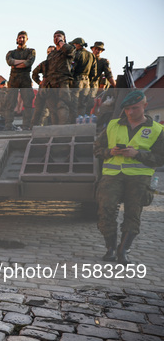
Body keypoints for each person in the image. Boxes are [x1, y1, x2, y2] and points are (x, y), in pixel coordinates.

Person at [94, 90, 164, 264]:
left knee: (133, 214)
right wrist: (109, 151)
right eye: (127, 109)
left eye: (134, 108)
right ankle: (110, 248)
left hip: (139, 178)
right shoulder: (113, 125)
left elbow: (160, 158)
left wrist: (137, 154)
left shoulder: (157, 130)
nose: (130, 112)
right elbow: (96, 150)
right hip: (112, 176)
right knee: (106, 210)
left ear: (145, 106)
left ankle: (123, 250)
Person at [4, 31, 36, 130]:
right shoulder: (11, 52)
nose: (21, 39)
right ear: (16, 39)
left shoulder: (31, 51)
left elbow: (29, 62)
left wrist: (16, 64)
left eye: (23, 37)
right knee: (10, 102)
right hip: (13, 79)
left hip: (25, 78)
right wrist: (23, 61)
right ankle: (8, 125)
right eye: (19, 37)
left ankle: (26, 125)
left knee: (27, 103)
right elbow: (10, 62)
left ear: (26, 39)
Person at [44, 30, 75, 125]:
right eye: (55, 36)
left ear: (64, 37)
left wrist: (61, 42)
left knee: (63, 105)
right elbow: (47, 68)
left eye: (59, 36)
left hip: (63, 82)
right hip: (51, 84)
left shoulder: (68, 48)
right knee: (52, 108)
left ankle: (63, 128)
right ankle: (55, 129)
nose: (56, 38)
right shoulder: (52, 54)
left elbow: (70, 51)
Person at [70, 38, 97, 123]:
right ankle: (80, 122)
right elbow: (94, 72)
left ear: (79, 44)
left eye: (74, 44)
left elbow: (72, 69)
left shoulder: (77, 54)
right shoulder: (92, 55)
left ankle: (73, 122)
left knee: (74, 103)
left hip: (77, 80)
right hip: (87, 82)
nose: (73, 46)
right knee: (83, 104)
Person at [87, 41, 116, 114]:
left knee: (90, 105)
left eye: (99, 49)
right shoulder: (86, 58)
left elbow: (109, 75)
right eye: (96, 49)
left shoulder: (103, 61)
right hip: (81, 85)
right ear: (92, 49)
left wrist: (117, 86)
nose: (97, 51)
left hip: (93, 87)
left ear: (102, 51)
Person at [31, 45, 56, 127]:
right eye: (48, 52)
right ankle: (33, 128)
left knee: (52, 111)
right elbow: (34, 73)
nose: (50, 53)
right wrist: (39, 82)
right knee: (38, 110)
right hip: (43, 89)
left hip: (54, 90)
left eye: (52, 51)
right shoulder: (44, 64)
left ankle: (54, 128)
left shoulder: (59, 64)